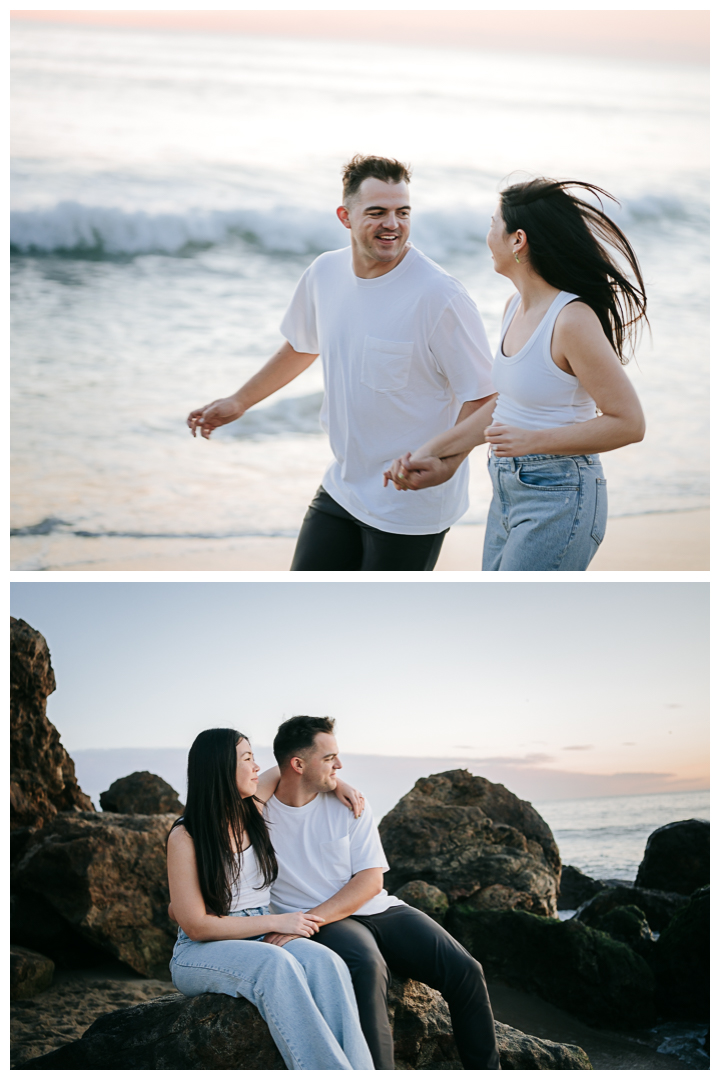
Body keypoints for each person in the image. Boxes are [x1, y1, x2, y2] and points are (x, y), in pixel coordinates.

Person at [187, 154, 496, 571]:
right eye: (377, 212)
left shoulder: (439, 296)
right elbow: (302, 345)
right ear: (345, 216)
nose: (393, 224)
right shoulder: (324, 273)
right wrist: (240, 401)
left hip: (410, 500)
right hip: (344, 484)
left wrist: (448, 463)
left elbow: (486, 399)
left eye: (402, 212)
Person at [385, 177, 648, 571]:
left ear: (517, 240)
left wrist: (534, 440)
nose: (488, 235)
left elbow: (629, 423)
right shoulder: (514, 307)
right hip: (509, 488)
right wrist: (431, 451)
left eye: (494, 224)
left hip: (561, 492)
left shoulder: (571, 319)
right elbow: (502, 409)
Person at [260, 716, 500, 1071]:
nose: (339, 766)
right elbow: (256, 785)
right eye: (329, 759)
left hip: (373, 908)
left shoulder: (350, 802)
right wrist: (301, 923)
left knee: (465, 969)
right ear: (297, 764)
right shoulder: (257, 813)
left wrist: (335, 780)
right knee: (368, 967)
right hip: (320, 919)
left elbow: (371, 881)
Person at [165, 728, 374, 1071]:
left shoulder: (252, 809)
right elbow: (196, 925)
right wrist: (278, 921)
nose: (256, 767)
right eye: (247, 759)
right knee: (276, 965)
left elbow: (288, 768)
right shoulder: (186, 835)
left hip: (258, 934)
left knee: (327, 963)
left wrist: (338, 784)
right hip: (199, 951)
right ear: (220, 768)